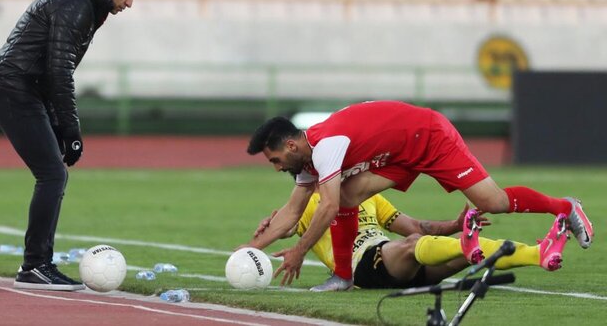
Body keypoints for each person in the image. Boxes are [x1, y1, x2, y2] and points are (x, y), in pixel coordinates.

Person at [245, 100, 593, 291]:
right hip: (397, 155)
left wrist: (299, 252)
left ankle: (565, 206)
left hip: (428, 136)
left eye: (275, 160)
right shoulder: (306, 162)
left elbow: (329, 206)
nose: (276, 167)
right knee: (351, 194)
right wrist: (247, 252)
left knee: (493, 202)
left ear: (291, 145)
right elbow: (291, 214)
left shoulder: (325, 147)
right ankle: (343, 276)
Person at [0, 0, 145, 291]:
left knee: (53, 174)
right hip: (14, 88)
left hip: (23, 87)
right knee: (52, 174)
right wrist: (70, 128)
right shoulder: (77, 3)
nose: (129, 3)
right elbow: (60, 70)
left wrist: (60, 123)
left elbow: (54, 70)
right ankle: (35, 267)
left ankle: (37, 264)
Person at [254, 194, 570, 290]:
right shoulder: (308, 202)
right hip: (363, 268)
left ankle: (539, 254)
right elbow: (280, 229)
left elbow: (414, 225)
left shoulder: (368, 196)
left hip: (396, 260)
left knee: (466, 248)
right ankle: (464, 242)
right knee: (414, 244)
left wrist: (454, 224)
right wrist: (267, 230)